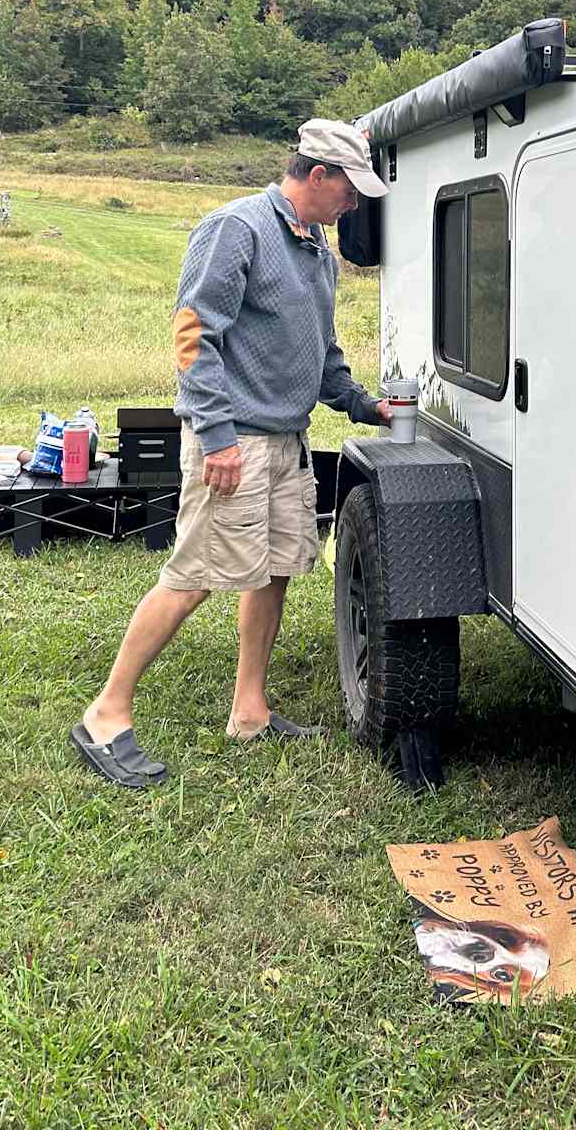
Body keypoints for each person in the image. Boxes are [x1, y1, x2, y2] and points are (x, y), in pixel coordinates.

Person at [71, 119, 390, 789]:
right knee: (193, 575)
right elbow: (193, 335)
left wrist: (363, 404)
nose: (353, 204)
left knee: (272, 570)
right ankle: (106, 712)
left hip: (287, 441)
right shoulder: (237, 228)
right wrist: (214, 434)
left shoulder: (316, 250)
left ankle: (249, 708)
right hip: (234, 440)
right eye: (349, 190)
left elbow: (321, 352)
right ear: (318, 175)